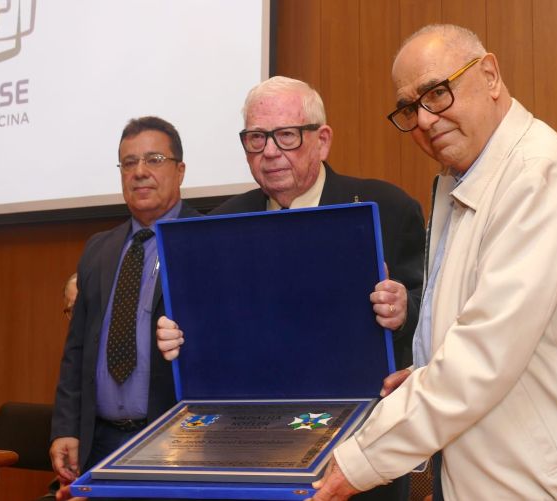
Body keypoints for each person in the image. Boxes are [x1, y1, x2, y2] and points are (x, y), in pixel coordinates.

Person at [307, 24, 557, 501]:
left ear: (490, 75)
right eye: (409, 108)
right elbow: (487, 335)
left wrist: (363, 459)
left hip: (542, 489)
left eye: (437, 93)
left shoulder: (538, 175)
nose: (424, 120)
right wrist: (425, 373)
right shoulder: (464, 181)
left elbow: (483, 355)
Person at [156, 76, 426, 501]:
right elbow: (208, 328)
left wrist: (404, 308)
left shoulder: (390, 208)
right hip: (249, 447)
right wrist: (178, 334)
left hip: (360, 451)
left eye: (286, 135)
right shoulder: (219, 224)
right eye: (256, 138)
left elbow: (436, 312)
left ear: (322, 141)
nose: (269, 151)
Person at [49, 116, 201, 498]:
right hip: (99, 443)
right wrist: (66, 428)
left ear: (180, 170)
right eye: (129, 162)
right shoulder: (98, 248)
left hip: (173, 443)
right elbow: (76, 350)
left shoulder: (205, 240)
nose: (140, 172)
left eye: (154, 159)